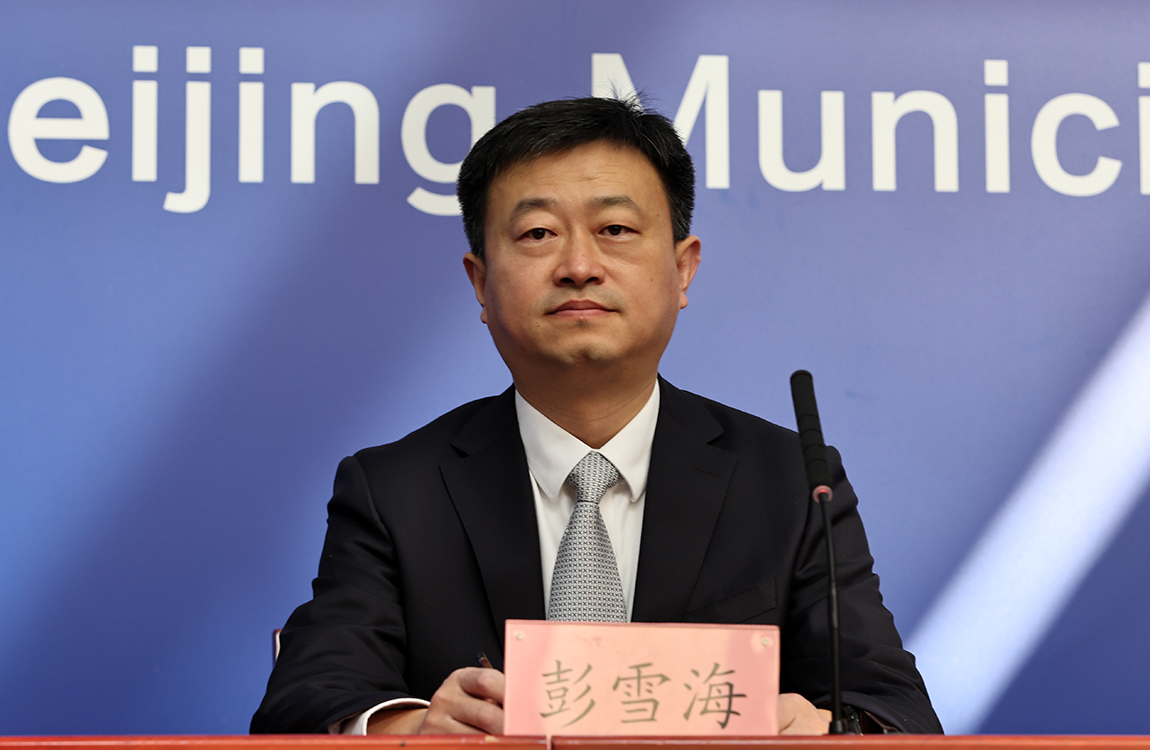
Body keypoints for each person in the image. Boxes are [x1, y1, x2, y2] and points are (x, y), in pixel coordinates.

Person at [250, 97, 942, 736]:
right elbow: (307, 696)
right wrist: (412, 730)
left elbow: (895, 708)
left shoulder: (789, 483)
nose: (579, 266)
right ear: (481, 283)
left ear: (683, 269)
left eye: (615, 229)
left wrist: (823, 730)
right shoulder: (398, 489)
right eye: (538, 233)